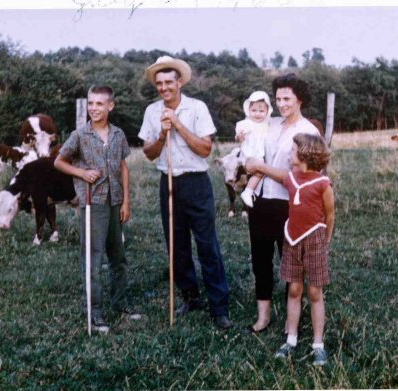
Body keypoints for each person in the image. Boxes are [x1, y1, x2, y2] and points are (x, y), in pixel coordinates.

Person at [138, 55, 231, 330]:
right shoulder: (151, 111)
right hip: (168, 181)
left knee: (207, 245)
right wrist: (161, 135)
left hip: (196, 182)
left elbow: (205, 149)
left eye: (169, 82)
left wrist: (177, 125)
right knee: (176, 245)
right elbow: (148, 153)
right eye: (159, 83)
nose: (164, 87)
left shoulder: (197, 108)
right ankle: (190, 297)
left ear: (179, 82)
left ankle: (219, 307)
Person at [54, 85, 140, 334]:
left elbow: (123, 167)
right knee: (93, 258)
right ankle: (94, 312)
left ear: (110, 106)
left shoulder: (118, 134)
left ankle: (120, 302)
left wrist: (126, 202)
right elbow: (59, 161)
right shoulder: (80, 135)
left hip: (115, 202)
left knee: (118, 257)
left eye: (99, 104)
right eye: (90, 103)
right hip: (93, 204)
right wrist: (82, 173)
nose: (93, 108)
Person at [242, 74, 321, 335]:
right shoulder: (270, 123)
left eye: (287, 98)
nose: (282, 104)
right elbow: (252, 147)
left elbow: (301, 178)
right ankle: (263, 317)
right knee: (260, 259)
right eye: (278, 98)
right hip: (260, 200)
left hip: (289, 205)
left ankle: (291, 320)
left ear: (300, 99)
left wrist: (262, 167)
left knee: (290, 262)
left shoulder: (308, 131)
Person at [271, 133, 334, 366]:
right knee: (294, 290)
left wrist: (325, 241)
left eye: (293, 150)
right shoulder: (290, 178)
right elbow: (274, 174)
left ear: (305, 155)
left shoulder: (323, 184)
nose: (289, 154)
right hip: (292, 239)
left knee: (315, 292)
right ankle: (291, 340)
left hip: (314, 239)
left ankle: (318, 345)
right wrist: (256, 166)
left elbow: (330, 215)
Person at [235, 90, 273, 208]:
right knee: (261, 171)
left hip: (260, 154)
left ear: (267, 111)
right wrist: (239, 137)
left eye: (261, 111)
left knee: (260, 172)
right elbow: (238, 138)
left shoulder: (267, 124)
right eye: (254, 110)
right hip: (249, 154)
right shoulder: (245, 123)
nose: (257, 114)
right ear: (248, 110)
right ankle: (248, 191)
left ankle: (248, 190)